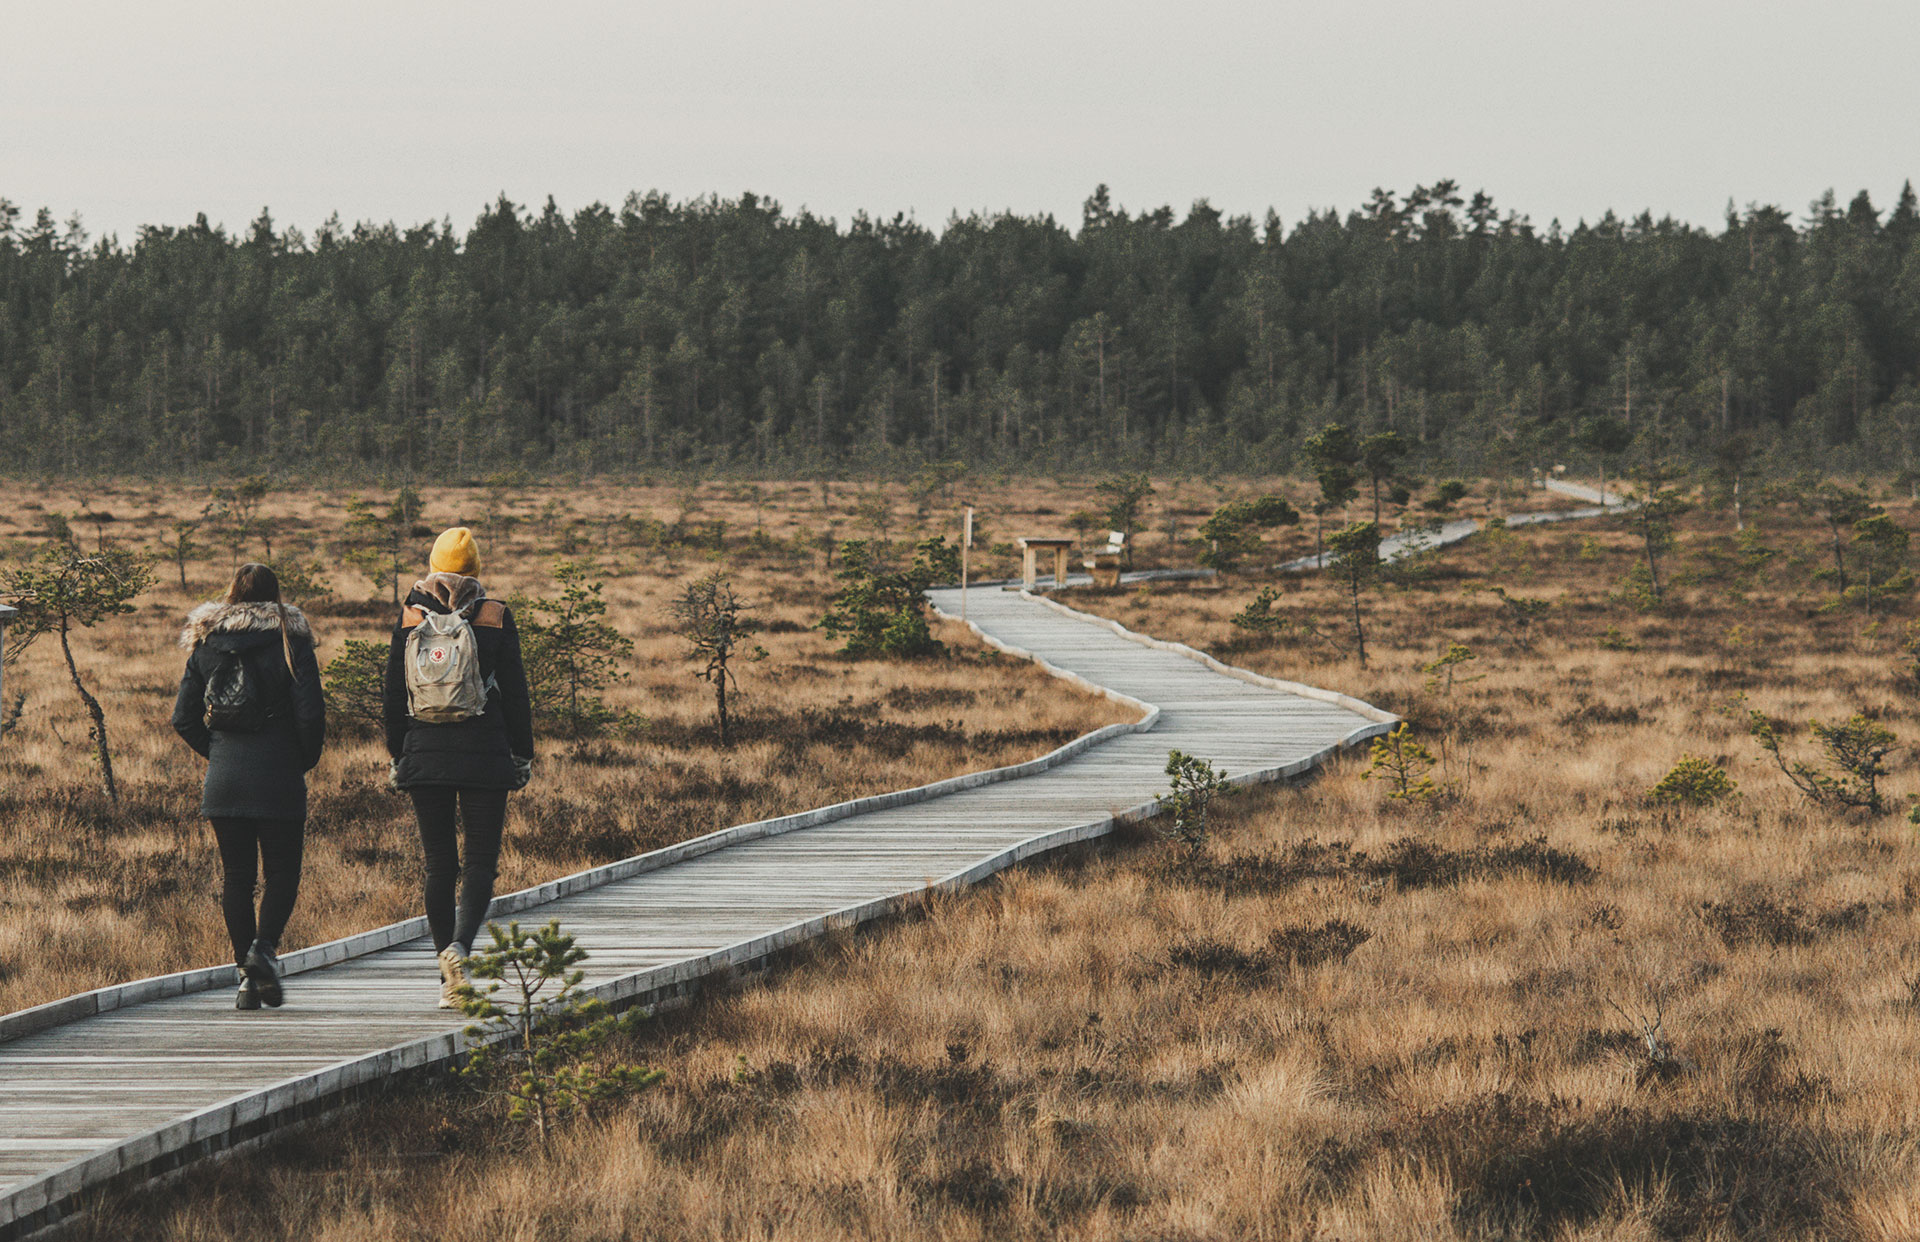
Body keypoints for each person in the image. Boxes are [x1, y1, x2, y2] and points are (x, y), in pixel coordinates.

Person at [383, 527, 534, 1008]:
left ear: (432, 564)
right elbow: (515, 690)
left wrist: (398, 754)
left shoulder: (409, 616)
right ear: (474, 568)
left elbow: (391, 695)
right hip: (485, 755)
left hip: (423, 753)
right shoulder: (493, 615)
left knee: (438, 864)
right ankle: (460, 950)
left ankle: (448, 982)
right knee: (480, 864)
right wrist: (522, 753)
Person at [172, 563, 325, 1010]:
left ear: (231, 594)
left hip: (225, 780)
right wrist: (300, 761)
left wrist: (218, 752)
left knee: (237, 878)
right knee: (282, 873)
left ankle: (246, 978)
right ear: (275, 596)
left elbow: (183, 718)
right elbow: (311, 715)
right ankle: (264, 951)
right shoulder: (291, 640)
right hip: (279, 774)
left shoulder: (205, 642)